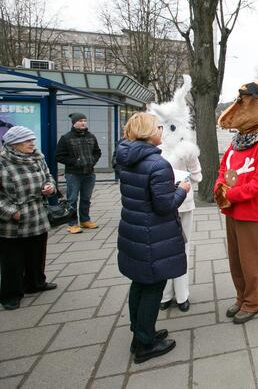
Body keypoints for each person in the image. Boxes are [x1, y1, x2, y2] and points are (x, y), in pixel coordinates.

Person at [114, 112, 191, 364]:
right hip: (153, 236)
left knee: (139, 284)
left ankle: (140, 333)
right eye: (158, 127)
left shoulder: (125, 159)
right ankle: (145, 345)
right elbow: (164, 205)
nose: (162, 131)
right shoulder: (157, 165)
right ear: (148, 133)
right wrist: (182, 190)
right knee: (152, 289)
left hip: (134, 231)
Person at [215, 82, 258, 324]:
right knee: (235, 259)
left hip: (249, 214)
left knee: (251, 261)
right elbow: (223, 168)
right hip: (231, 212)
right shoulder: (236, 142)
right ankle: (241, 297)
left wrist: (231, 195)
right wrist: (219, 187)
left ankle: (253, 302)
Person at [148, 75, 203, 313]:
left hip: (172, 205)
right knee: (174, 248)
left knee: (173, 248)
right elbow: (198, 176)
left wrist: (183, 177)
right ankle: (174, 295)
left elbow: (197, 175)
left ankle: (173, 295)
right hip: (173, 204)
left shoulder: (165, 150)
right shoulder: (168, 149)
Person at [0, 126, 57, 310]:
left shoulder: (37, 157)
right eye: (27, 141)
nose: (32, 143)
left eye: (32, 140)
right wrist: (11, 212)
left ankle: (36, 282)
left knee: (37, 253)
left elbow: (49, 177)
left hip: (37, 214)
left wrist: (50, 186)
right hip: (13, 221)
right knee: (12, 260)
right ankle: (11, 294)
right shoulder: (3, 162)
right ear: (14, 144)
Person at [55, 112, 102, 234]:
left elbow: (97, 152)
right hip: (73, 174)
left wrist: (93, 161)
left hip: (89, 173)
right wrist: (75, 162)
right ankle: (72, 223)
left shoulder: (91, 136)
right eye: (80, 120)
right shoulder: (66, 138)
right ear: (74, 123)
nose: (83, 123)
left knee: (86, 198)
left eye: (84, 120)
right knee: (72, 199)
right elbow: (59, 156)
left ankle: (85, 220)